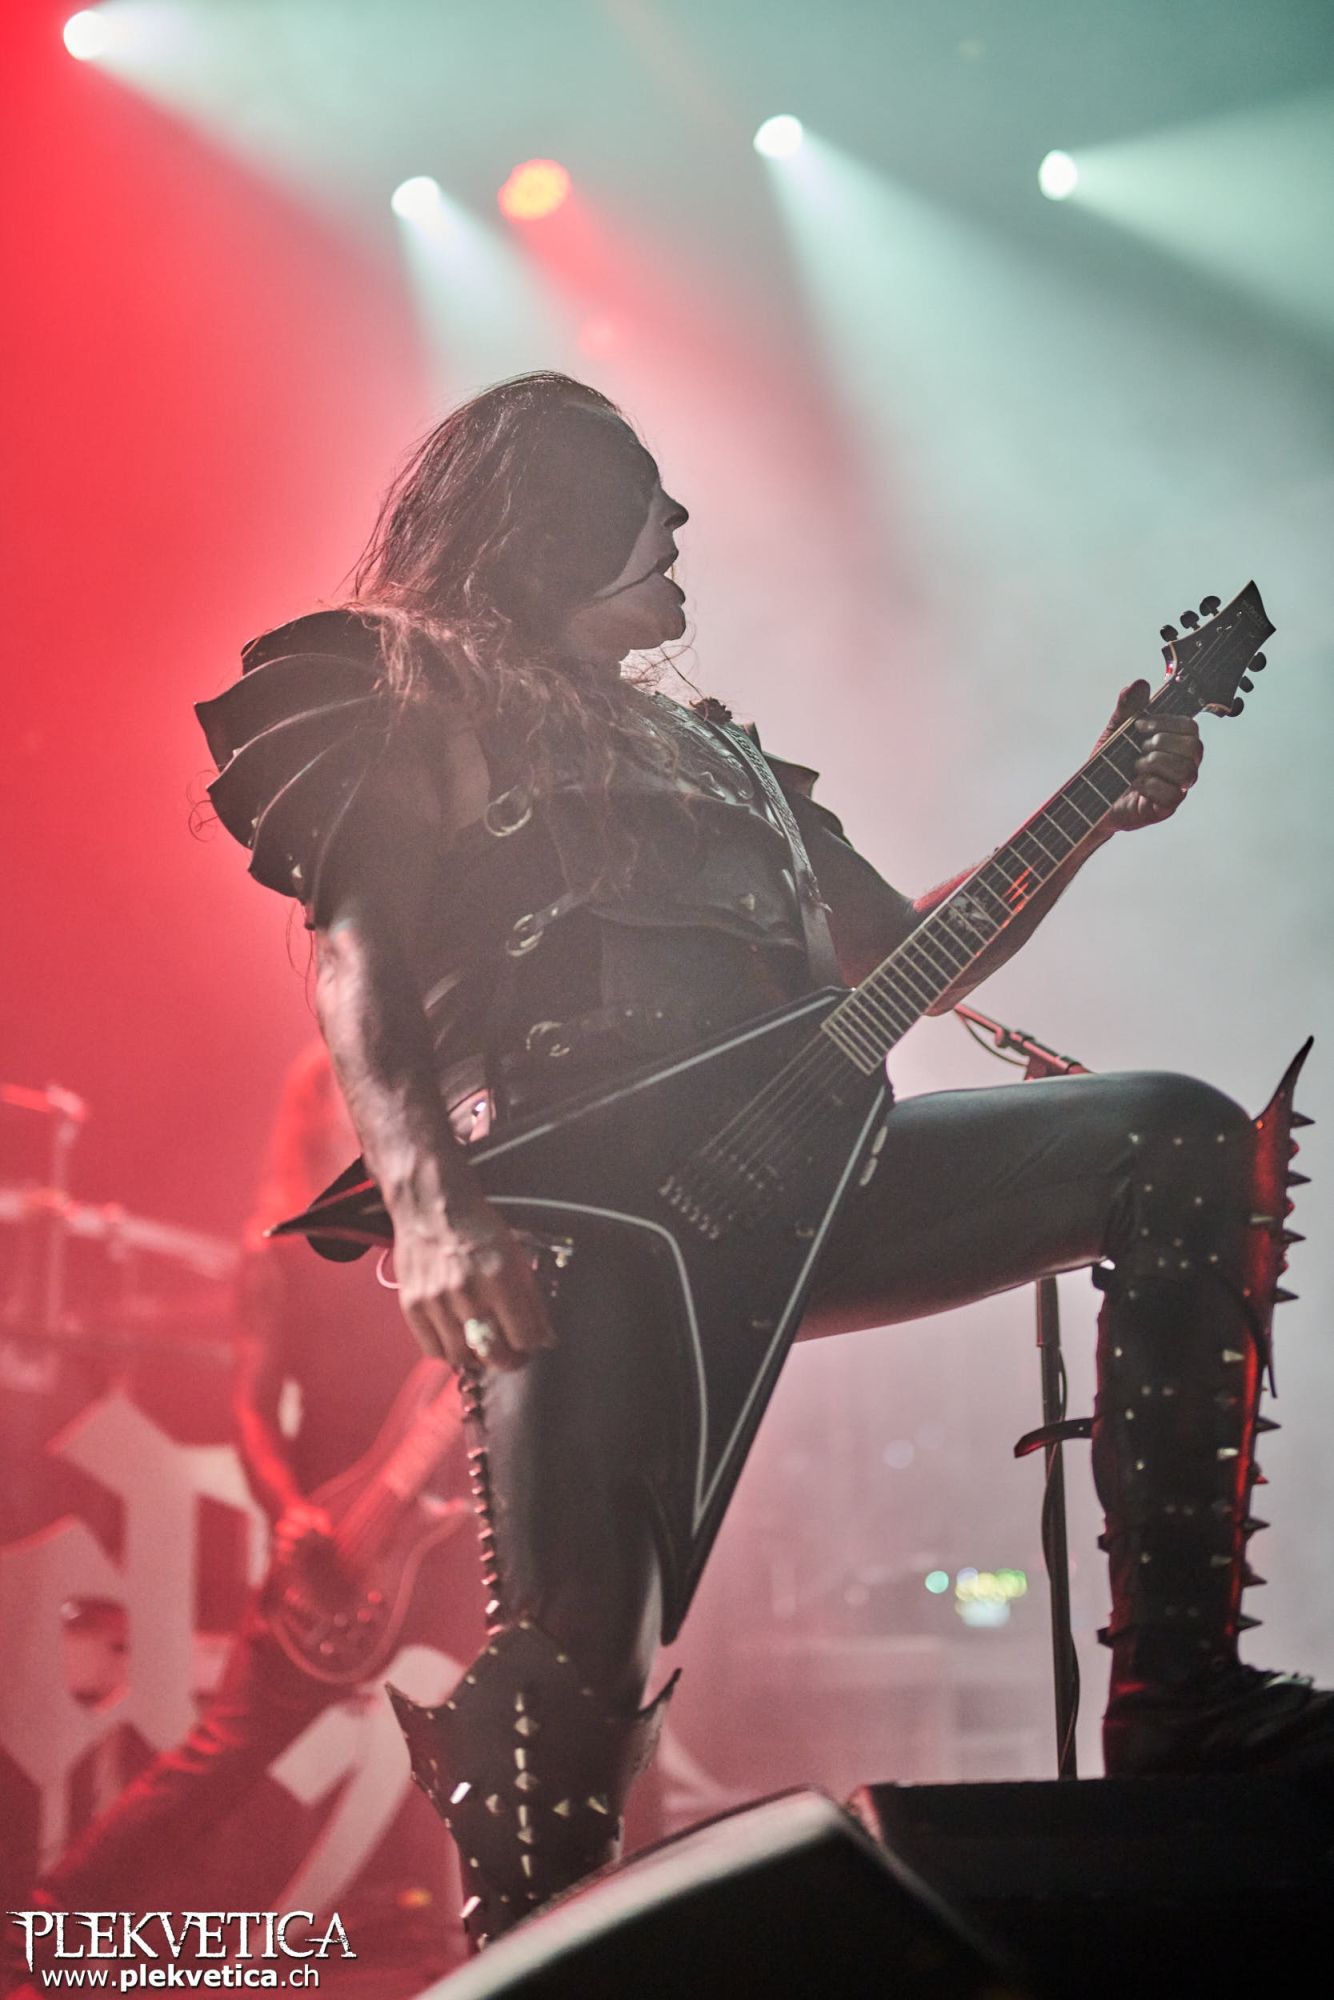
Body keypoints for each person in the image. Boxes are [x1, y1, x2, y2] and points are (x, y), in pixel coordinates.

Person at [196, 370, 1330, 1950]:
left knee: (1172, 1136)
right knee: (577, 1671)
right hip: (587, 1224)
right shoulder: (399, 688)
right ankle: (526, 1956)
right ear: (542, 514)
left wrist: (1091, 810)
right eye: (636, 491)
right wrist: (436, 1208)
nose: (675, 520)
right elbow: (355, 959)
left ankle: (1181, 1697)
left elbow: (906, 952)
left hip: (815, 1179)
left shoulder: (727, 762)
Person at [29, 1041, 480, 1962]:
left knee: (517, 1719)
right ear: (317, 1116)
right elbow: (252, 1410)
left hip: (449, 1534)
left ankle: (529, 1941)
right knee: (224, 1756)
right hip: (337, 1543)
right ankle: (57, 1912)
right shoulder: (279, 1253)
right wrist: (289, 1513)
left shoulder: (434, 1228)